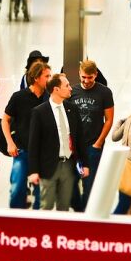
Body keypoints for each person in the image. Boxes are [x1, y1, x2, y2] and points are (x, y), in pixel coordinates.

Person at [27, 73, 90, 211]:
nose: (70, 88)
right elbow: (33, 144)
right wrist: (33, 171)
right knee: (46, 205)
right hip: (48, 166)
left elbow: (79, 138)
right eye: (66, 86)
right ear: (56, 89)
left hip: (68, 165)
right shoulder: (39, 112)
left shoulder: (72, 109)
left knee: (64, 206)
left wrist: (85, 164)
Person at [4, 61, 50, 209]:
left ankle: (37, 223)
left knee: (41, 193)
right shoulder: (19, 97)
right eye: (47, 76)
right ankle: (15, 221)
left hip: (42, 153)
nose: (50, 79)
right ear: (36, 78)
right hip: (22, 151)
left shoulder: (50, 98)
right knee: (17, 189)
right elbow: (5, 120)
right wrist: (10, 143)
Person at [70, 60, 114, 210]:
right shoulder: (72, 91)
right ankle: (78, 209)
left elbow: (109, 120)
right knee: (71, 182)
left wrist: (99, 143)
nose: (86, 81)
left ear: (95, 75)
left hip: (93, 145)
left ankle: (85, 214)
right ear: (79, 74)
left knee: (89, 183)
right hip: (74, 146)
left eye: (90, 77)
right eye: (83, 77)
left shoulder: (104, 92)